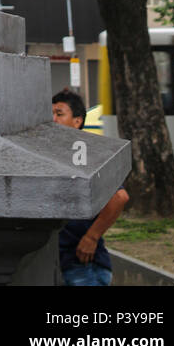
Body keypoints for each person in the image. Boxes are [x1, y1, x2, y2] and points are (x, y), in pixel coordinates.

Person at [52, 88, 129, 286]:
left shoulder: (85, 154)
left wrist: (91, 238)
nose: (53, 119)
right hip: (63, 264)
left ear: (77, 121)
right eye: (50, 114)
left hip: (85, 268)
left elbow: (119, 198)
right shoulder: (54, 156)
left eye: (59, 114)